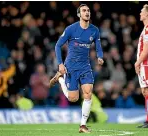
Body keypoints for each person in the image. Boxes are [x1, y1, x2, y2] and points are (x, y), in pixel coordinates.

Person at [49, 4, 104, 133]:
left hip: (85, 66)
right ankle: (61, 79)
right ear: (79, 14)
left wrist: (100, 56)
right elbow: (57, 46)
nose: (87, 12)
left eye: (88, 10)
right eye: (84, 11)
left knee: (88, 92)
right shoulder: (70, 29)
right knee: (73, 98)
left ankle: (83, 125)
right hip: (71, 67)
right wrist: (60, 64)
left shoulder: (94, 30)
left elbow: (98, 46)